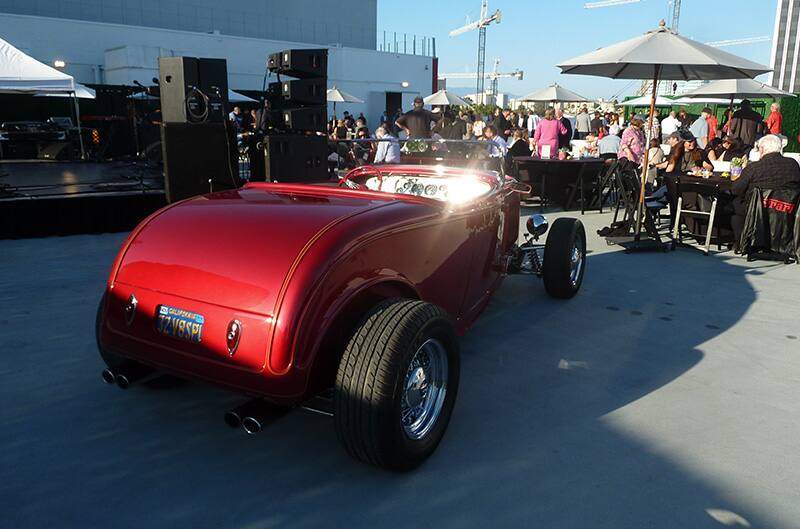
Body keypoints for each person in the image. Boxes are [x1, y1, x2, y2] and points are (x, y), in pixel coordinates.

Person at [730, 134, 800, 243]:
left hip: (757, 210)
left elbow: (736, 189)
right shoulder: (793, 165)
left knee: (735, 204)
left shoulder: (754, 167)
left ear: (762, 149)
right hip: (787, 209)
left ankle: (741, 241)